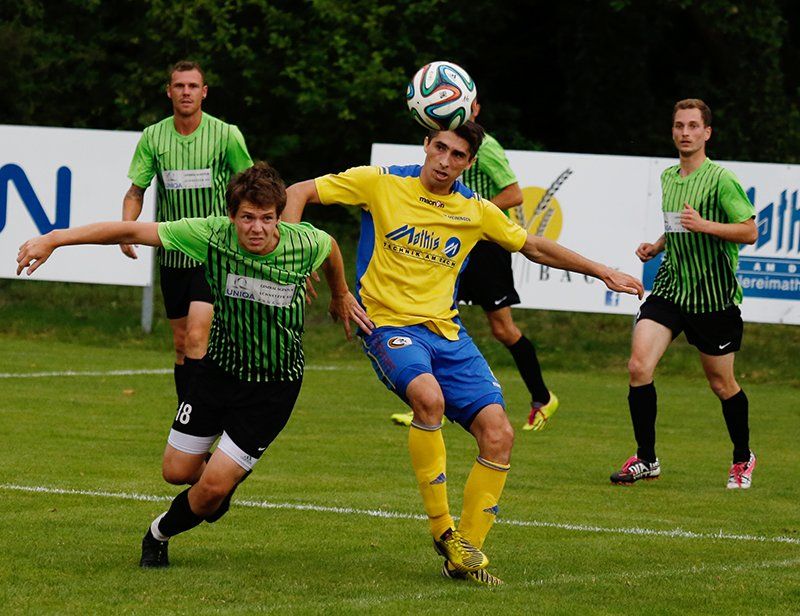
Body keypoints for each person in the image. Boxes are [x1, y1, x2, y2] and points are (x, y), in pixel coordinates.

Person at [283, 121, 643, 585]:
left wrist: (602, 271)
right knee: (428, 398)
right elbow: (297, 192)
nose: (444, 160)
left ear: (469, 163)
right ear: (426, 145)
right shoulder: (380, 182)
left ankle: (464, 554)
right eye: (440, 148)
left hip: (448, 334)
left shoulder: (474, 209)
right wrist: (291, 257)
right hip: (388, 325)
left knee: (500, 434)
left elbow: (533, 246)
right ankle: (443, 530)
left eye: (457, 155)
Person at [17, 162, 371, 568]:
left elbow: (330, 247)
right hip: (218, 372)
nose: (257, 228)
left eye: (267, 218)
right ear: (231, 216)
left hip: (273, 387)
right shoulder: (210, 236)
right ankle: (219, 482)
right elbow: (131, 231)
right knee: (175, 471)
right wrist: (54, 239)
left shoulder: (304, 243)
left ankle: (159, 533)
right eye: (247, 217)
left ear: (279, 217)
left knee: (209, 492)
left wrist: (340, 293)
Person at [609, 99, 758, 489]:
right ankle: (646, 459)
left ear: (707, 133)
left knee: (721, 384)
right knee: (638, 367)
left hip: (712, 297)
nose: (685, 132)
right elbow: (679, 224)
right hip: (671, 289)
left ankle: (742, 457)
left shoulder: (721, 179)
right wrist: (658, 246)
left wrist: (705, 225)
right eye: (679, 125)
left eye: (693, 126)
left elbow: (749, 231)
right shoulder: (668, 177)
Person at [390, 98, 557, 431]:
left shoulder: (487, 146)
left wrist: (467, 216)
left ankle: (542, 398)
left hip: (485, 247)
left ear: (473, 107)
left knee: (502, 329)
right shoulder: (444, 141)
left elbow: (514, 194)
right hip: (454, 244)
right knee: (431, 316)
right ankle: (428, 400)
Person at [121, 60, 253, 402]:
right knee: (182, 344)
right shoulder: (153, 136)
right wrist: (126, 229)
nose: (186, 92)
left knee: (197, 336)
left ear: (204, 92)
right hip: (173, 254)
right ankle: (187, 416)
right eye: (179, 86)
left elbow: (252, 188)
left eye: (193, 86)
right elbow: (136, 191)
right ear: (169, 92)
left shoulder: (226, 134)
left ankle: (200, 420)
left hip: (214, 253)